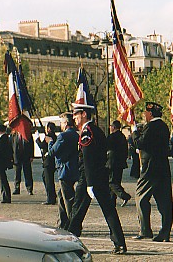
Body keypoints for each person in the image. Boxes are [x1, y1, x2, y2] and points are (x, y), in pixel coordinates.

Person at [69, 103, 127, 255]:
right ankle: (119, 243)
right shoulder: (96, 130)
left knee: (77, 211)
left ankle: (68, 243)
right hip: (100, 175)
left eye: (76, 114)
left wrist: (89, 183)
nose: (74, 118)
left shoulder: (87, 131)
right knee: (108, 210)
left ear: (84, 115)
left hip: (89, 177)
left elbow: (87, 158)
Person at [132, 102, 173, 242]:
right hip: (163, 167)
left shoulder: (150, 127)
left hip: (150, 168)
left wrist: (134, 132)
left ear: (150, 114)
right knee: (164, 201)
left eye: (146, 113)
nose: (145, 115)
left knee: (140, 196)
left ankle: (145, 229)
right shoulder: (164, 126)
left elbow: (140, 143)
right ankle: (165, 232)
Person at [47, 113, 80, 229]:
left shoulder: (63, 136)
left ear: (66, 123)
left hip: (65, 170)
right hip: (73, 169)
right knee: (61, 196)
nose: (60, 125)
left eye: (61, 123)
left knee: (68, 199)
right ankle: (62, 222)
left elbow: (52, 152)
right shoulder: (76, 135)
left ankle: (73, 224)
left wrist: (50, 142)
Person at [106, 120, 131, 207]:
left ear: (113, 127)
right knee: (116, 181)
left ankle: (123, 195)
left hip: (112, 162)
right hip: (120, 163)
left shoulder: (112, 137)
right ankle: (111, 200)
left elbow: (107, 147)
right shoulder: (122, 137)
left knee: (111, 182)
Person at [35, 122, 57, 205]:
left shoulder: (49, 136)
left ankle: (50, 198)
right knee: (45, 177)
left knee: (48, 181)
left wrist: (37, 139)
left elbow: (42, 145)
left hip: (48, 162)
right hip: (49, 162)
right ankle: (52, 196)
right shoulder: (54, 136)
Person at [11, 130, 34, 195]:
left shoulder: (27, 134)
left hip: (26, 156)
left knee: (27, 173)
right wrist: (11, 157)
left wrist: (31, 156)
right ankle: (17, 188)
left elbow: (31, 145)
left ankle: (29, 189)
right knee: (17, 173)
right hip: (16, 157)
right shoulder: (14, 135)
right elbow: (11, 145)